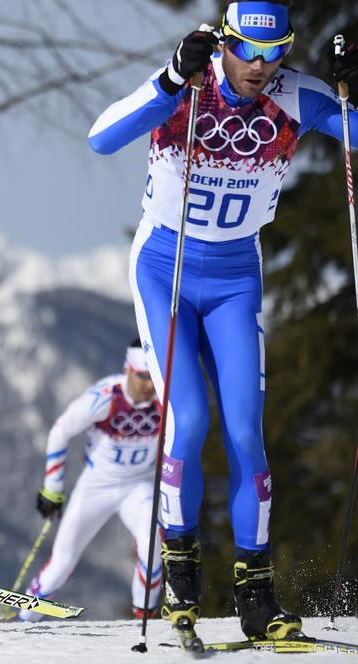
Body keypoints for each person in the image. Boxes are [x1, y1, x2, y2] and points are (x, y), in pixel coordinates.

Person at [87, 0, 358, 640]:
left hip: (236, 275)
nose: (262, 67)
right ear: (225, 43)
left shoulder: (295, 96)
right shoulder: (189, 79)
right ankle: (180, 577)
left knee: (244, 433)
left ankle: (256, 596)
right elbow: (102, 137)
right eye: (249, 51)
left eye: (276, 52)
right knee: (190, 419)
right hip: (166, 268)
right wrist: (169, 82)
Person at [18, 341, 162, 622]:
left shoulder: (165, 397)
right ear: (127, 370)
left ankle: (145, 616)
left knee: (152, 542)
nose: (148, 385)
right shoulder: (105, 397)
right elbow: (60, 431)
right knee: (62, 561)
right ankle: (25, 618)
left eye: (153, 377)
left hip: (139, 486)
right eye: (142, 376)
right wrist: (52, 489)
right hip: (96, 486)